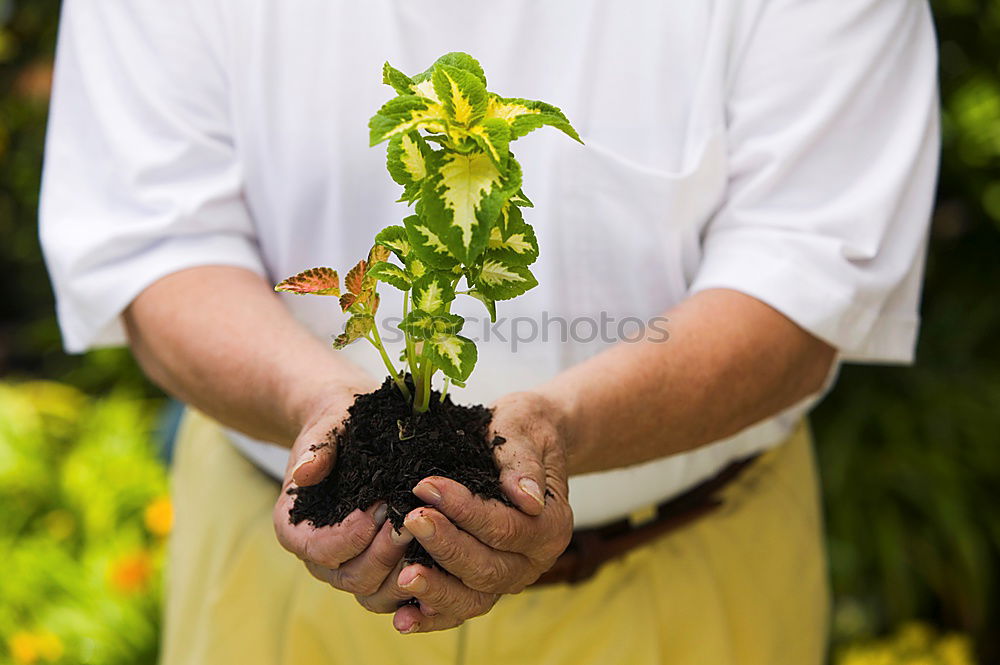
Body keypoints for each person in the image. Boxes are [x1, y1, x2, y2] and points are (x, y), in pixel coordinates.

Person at [39, 1, 939, 663]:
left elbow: (806, 278)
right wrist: (317, 402)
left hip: (687, 579)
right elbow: (157, 244)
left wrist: (561, 429)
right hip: (282, 584)